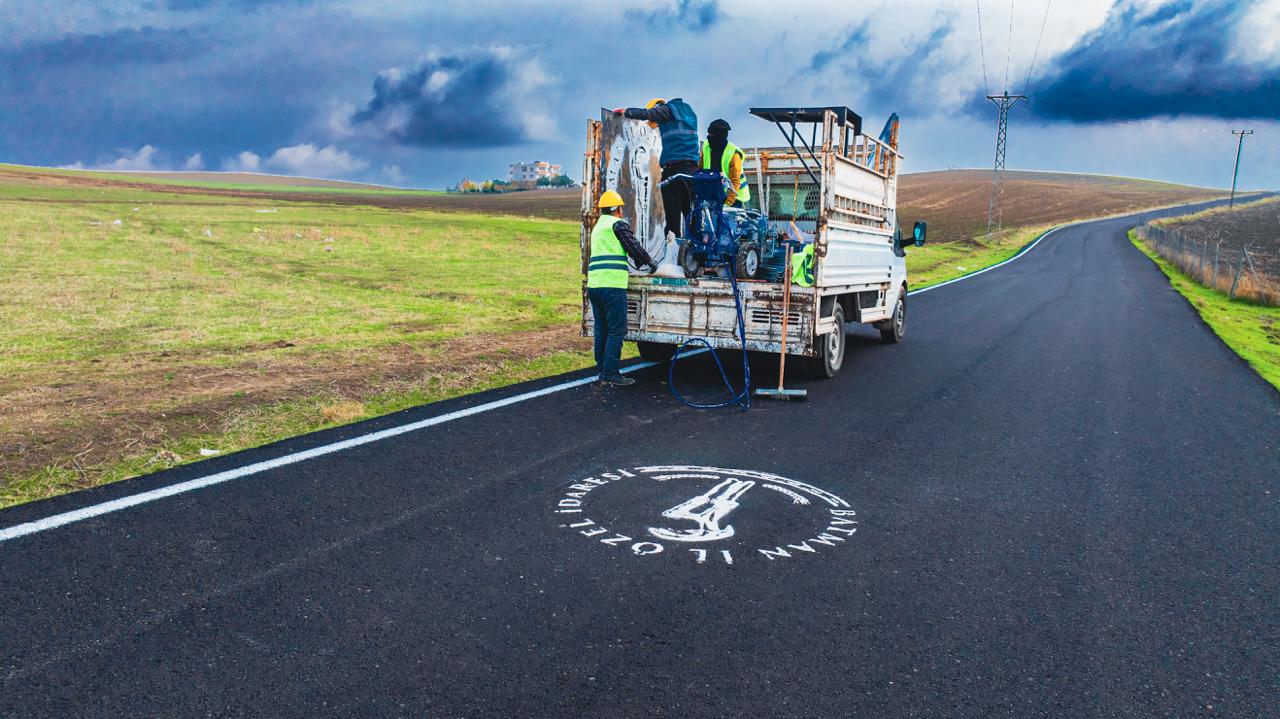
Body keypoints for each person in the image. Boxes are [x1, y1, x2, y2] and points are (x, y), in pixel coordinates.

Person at [588, 190, 656, 386]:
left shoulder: (598, 227)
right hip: (612, 285)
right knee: (617, 329)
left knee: (601, 330)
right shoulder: (616, 224)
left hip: (595, 285)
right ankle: (611, 373)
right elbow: (632, 246)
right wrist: (650, 263)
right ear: (617, 209)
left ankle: (602, 370)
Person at [613, 98, 699, 238]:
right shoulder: (689, 112)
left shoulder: (668, 110)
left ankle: (673, 253)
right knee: (691, 216)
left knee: (672, 221)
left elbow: (649, 114)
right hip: (692, 172)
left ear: (658, 108)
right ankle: (697, 254)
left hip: (674, 171)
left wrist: (626, 112)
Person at [700, 118, 752, 208]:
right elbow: (700, 170)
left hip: (735, 198)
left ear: (719, 137)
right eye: (708, 135)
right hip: (713, 195)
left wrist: (728, 204)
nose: (709, 138)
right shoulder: (706, 147)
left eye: (711, 135)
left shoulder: (733, 153)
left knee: (729, 221)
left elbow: (735, 181)